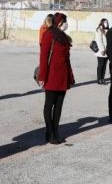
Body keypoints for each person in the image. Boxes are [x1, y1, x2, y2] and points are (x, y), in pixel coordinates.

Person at [37, 12, 75, 144]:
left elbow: (67, 60)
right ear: (59, 23)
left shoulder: (63, 36)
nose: (66, 24)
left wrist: (71, 77)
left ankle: (55, 130)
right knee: (49, 104)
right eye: (64, 22)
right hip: (51, 75)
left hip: (63, 76)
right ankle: (49, 131)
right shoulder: (49, 34)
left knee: (59, 106)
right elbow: (43, 57)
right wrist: (42, 76)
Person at [94, 18, 109, 84]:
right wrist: (102, 50)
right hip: (101, 51)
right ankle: (99, 79)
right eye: (105, 22)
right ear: (102, 22)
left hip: (107, 51)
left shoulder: (107, 30)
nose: (106, 23)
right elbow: (99, 41)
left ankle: (102, 78)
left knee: (104, 65)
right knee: (100, 65)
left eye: (107, 22)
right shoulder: (99, 30)